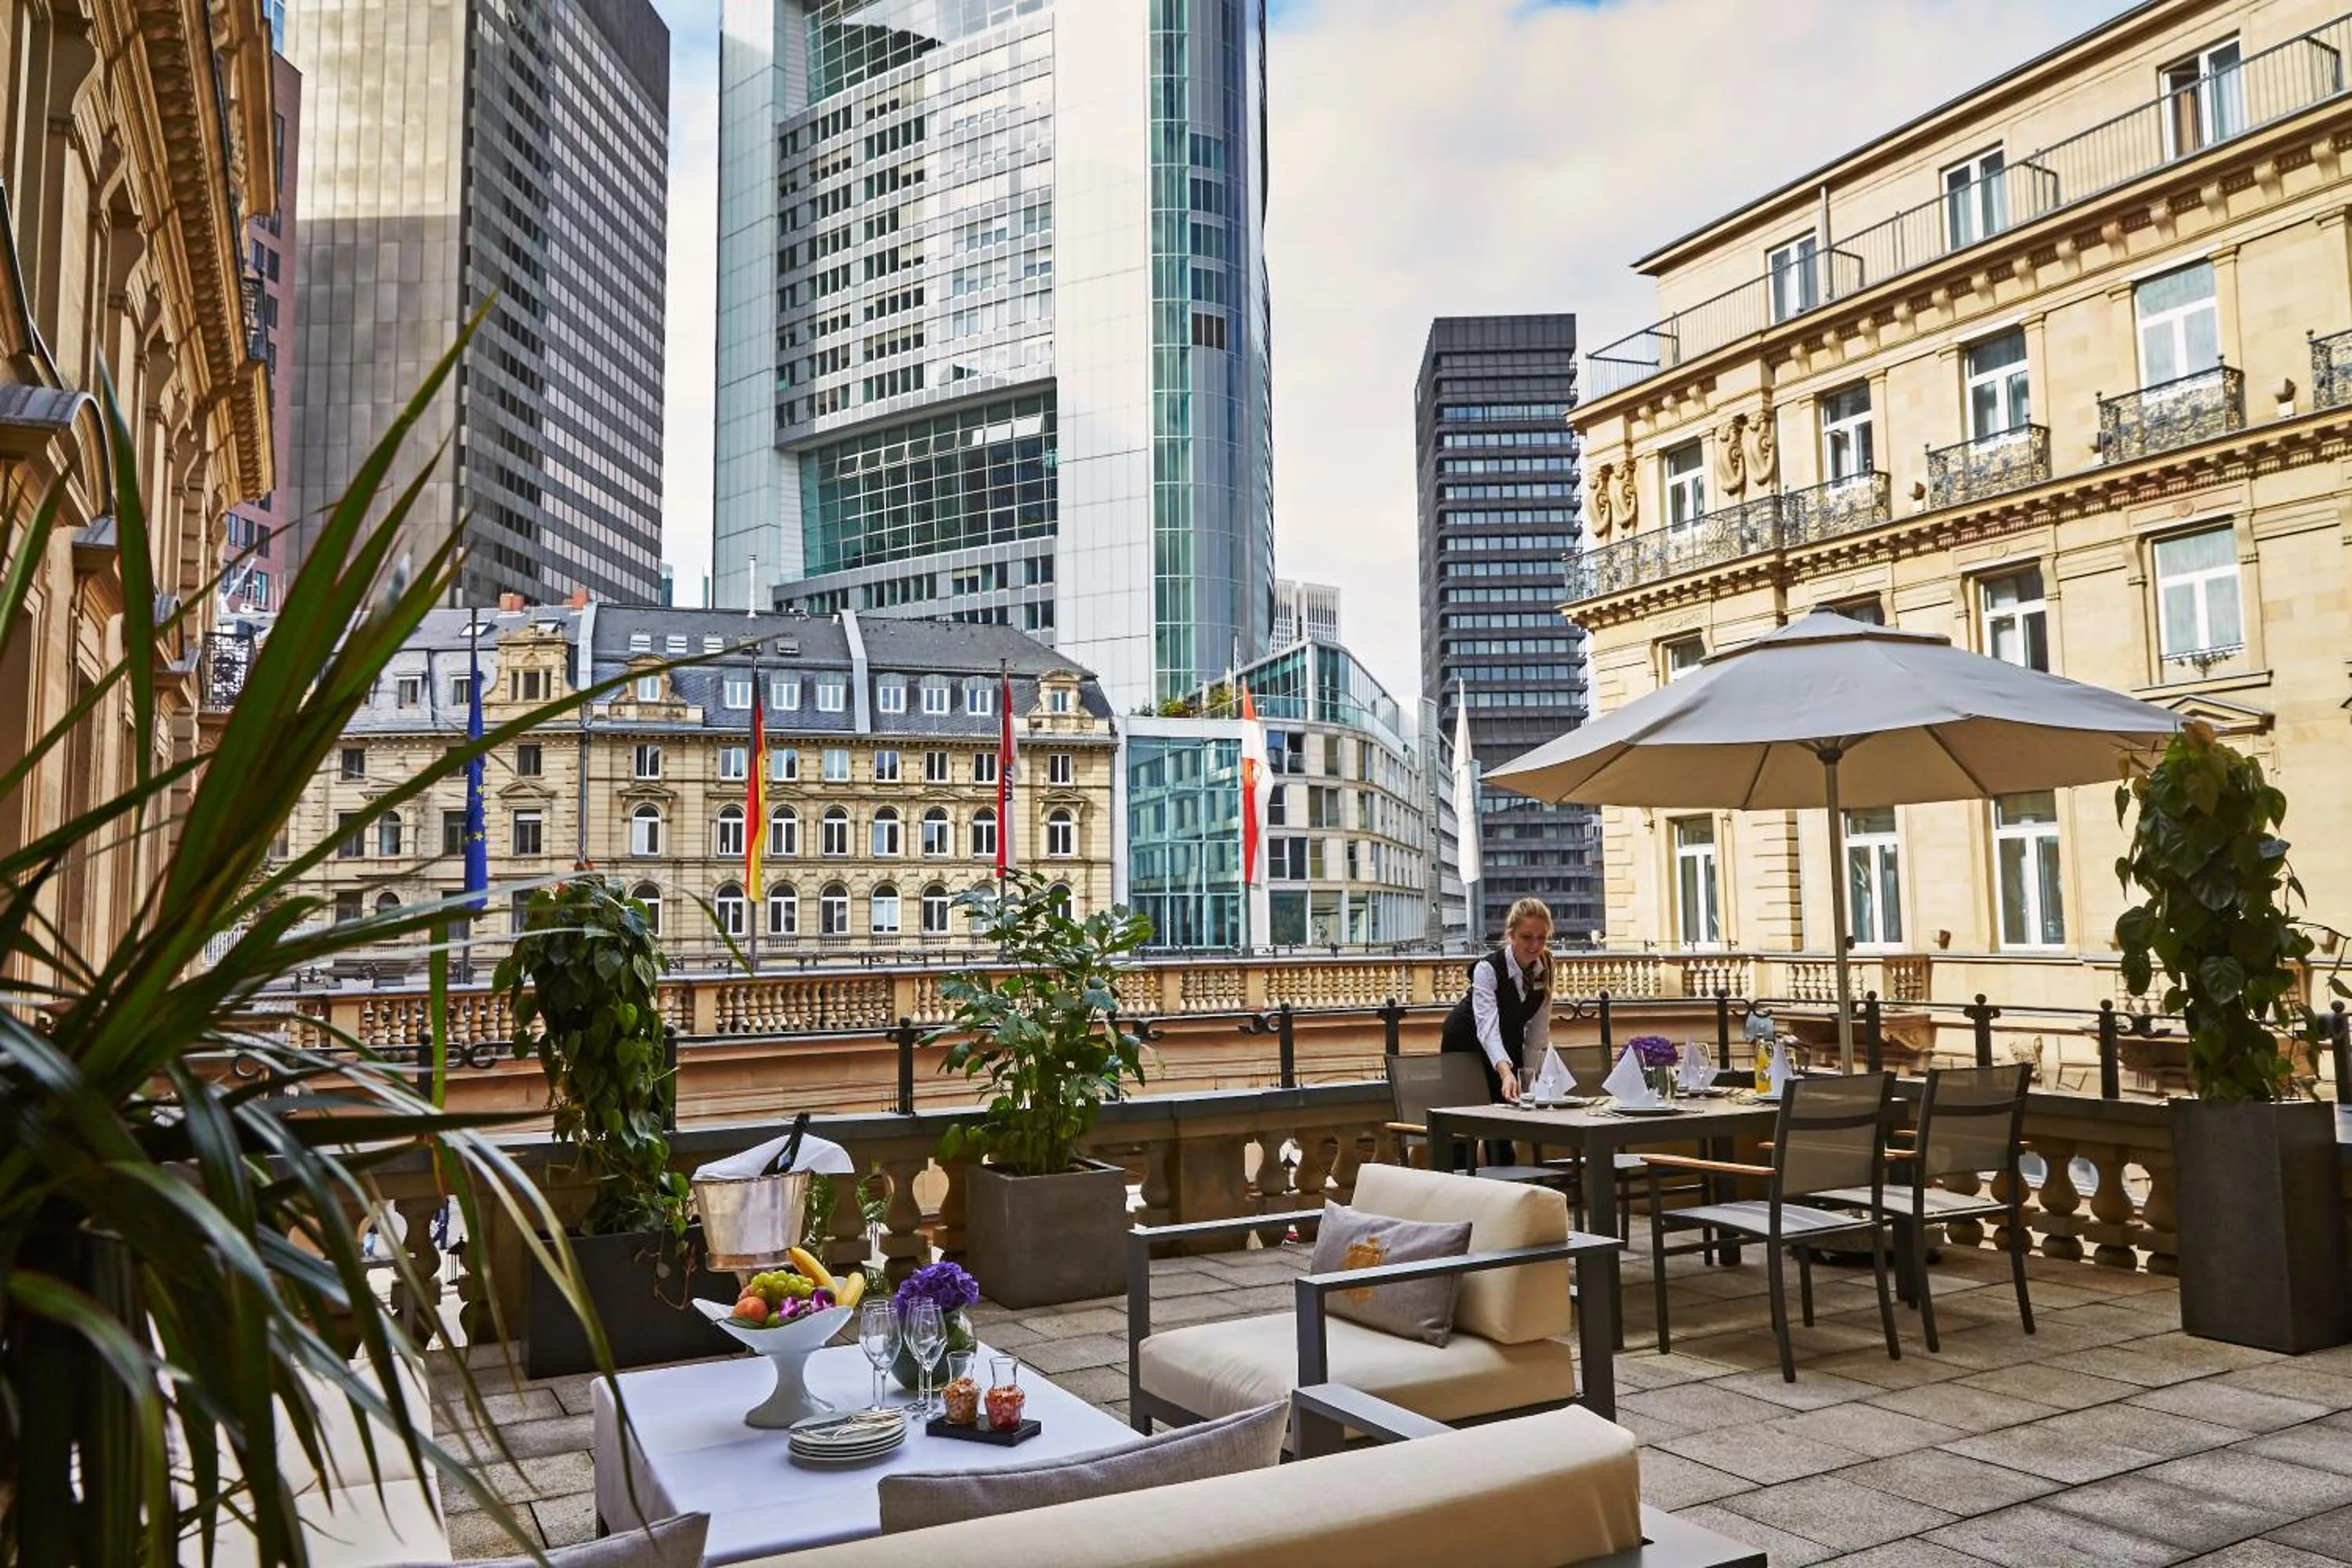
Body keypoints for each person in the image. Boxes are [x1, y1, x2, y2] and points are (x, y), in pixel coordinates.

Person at [1440, 898, 1555, 1163]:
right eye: (1526, 937)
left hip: (1505, 1041)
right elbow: (1487, 1028)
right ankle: (1458, 1185)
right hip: (1465, 1042)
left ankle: (1503, 1184)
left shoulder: (1546, 966)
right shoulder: (1487, 969)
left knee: (1504, 1129)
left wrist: (1528, 1081)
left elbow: (1537, 1034)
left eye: (1541, 938)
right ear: (1511, 935)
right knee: (1463, 1128)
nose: (1534, 945)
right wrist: (1505, 1073)